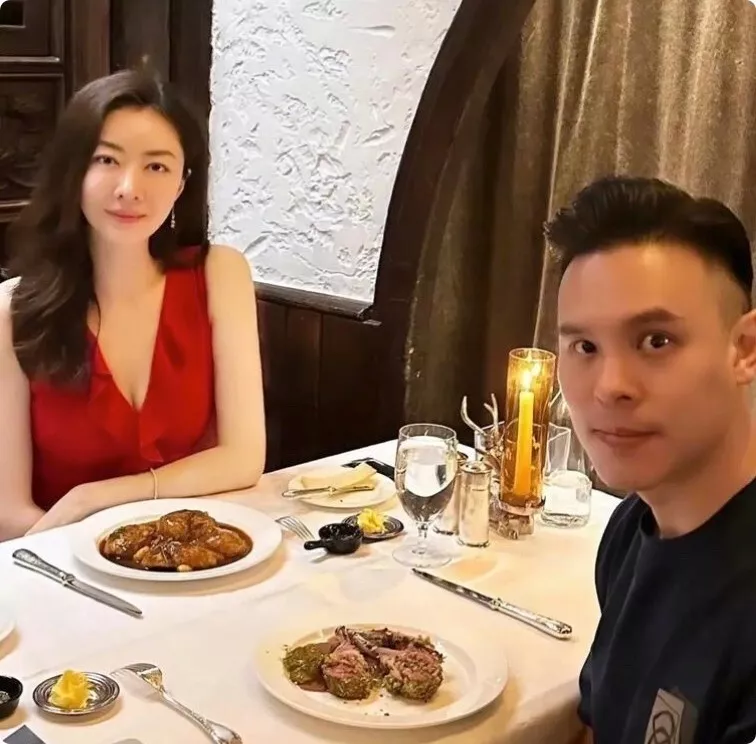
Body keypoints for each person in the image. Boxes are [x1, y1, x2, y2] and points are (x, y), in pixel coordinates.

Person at [0, 70, 266, 541]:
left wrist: (94, 498)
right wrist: (102, 551)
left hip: (195, 554)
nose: (129, 187)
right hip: (63, 564)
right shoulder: (12, 311)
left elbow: (243, 458)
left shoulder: (220, 274)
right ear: (74, 172)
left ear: (181, 184)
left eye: (156, 166)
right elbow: (9, 515)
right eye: (106, 159)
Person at [547, 176, 756, 744]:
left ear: (744, 349)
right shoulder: (629, 530)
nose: (610, 386)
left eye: (656, 341)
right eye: (585, 347)